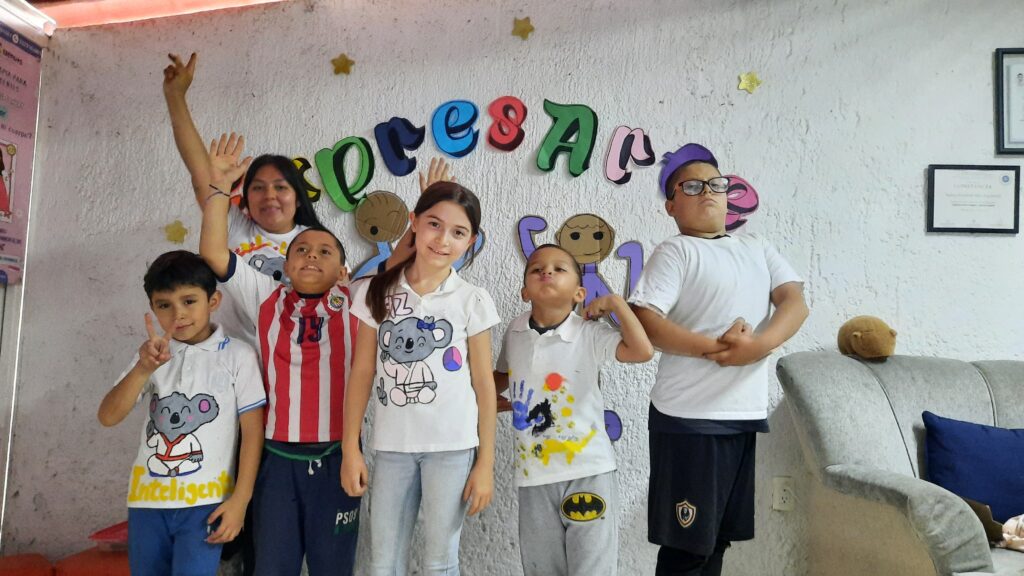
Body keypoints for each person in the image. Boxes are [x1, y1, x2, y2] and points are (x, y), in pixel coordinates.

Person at [629, 143, 808, 576]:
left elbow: (795, 302)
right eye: (691, 186)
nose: (706, 191)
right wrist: (717, 349)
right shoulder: (675, 251)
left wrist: (759, 346)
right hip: (688, 417)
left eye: (715, 184)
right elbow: (645, 320)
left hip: (743, 416)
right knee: (687, 549)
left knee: (717, 542)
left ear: (729, 196)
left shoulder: (757, 247)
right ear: (671, 206)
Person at [198, 137, 360, 576]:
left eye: (325, 252)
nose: (311, 257)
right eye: (301, 251)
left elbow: (405, 270)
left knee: (333, 567)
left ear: (343, 271)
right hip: (275, 459)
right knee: (271, 565)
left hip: (337, 457)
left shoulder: (356, 301)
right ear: (284, 267)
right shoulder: (266, 297)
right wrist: (218, 189)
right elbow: (213, 253)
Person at [340, 182, 499, 575]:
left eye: (458, 232)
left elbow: (484, 385)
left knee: (439, 562)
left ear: (470, 241)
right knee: (383, 562)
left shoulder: (472, 299)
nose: (442, 240)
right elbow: (361, 373)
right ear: (413, 222)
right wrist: (350, 449)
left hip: (453, 448)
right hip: (392, 447)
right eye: (434, 224)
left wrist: (486, 463)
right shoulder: (376, 292)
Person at [98, 250, 265, 576]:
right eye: (164, 305)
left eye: (189, 301)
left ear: (213, 301)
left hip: (206, 505)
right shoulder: (152, 356)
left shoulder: (238, 356)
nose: (178, 314)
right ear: (152, 309)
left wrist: (240, 501)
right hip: (147, 503)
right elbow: (108, 416)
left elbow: (253, 433)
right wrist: (143, 369)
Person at [494, 243, 653, 576]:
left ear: (580, 293)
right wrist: (484, 398)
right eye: (536, 269)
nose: (546, 272)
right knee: (542, 569)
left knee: (592, 569)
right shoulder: (515, 331)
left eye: (559, 268)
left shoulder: (589, 334)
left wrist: (616, 303)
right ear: (525, 292)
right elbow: (500, 377)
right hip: (534, 475)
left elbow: (641, 351)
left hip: (588, 471)